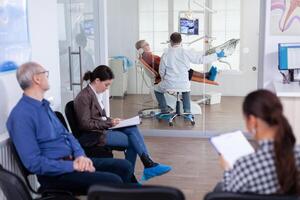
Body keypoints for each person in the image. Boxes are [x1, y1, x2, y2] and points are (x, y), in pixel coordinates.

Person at [6, 62, 135, 194]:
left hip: (73, 161)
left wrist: (80, 156)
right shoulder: (21, 116)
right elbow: (34, 163)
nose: (47, 77)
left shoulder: (44, 107)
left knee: (124, 167)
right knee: (113, 181)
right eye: (45, 74)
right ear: (37, 79)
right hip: (56, 175)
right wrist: (72, 165)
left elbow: (67, 135)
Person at [73, 65, 172, 182]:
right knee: (133, 142)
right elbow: (85, 124)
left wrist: (112, 120)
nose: (107, 88)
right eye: (106, 85)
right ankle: (137, 173)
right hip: (94, 135)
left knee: (132, 128)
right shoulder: (84, 97)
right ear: (97, 80)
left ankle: (145, 167)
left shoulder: (95, 94)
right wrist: (109, 123)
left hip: (102, 129)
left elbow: (99, 117)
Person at [218, 89, 300, 195]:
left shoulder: (245, 165)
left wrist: (228, 170)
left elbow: (226, 195)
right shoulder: (297, 155)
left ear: (252, 121)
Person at [154, 32, 225, 114]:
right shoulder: (186, 52)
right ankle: (187, 112)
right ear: (181, 41)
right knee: (186, 90)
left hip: (169, 83)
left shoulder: (166, 54)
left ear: (170, 41)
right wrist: (216, 56)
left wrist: (164, 79)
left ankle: (164, 110)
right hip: (183, 83)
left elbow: (161, 71)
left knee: (156, 89)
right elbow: (201, 60)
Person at [135, 39, 218, 84]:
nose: (148, 45)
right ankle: (205, 75)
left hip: (167, 71)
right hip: (167, 74)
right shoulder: (148, 57)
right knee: (183, 69)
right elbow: (161, 65)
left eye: (148, 44)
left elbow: (161, 63)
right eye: (146, 45)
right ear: (141, 49)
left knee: (183, 68)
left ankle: (205, 75)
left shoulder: (146, 57)